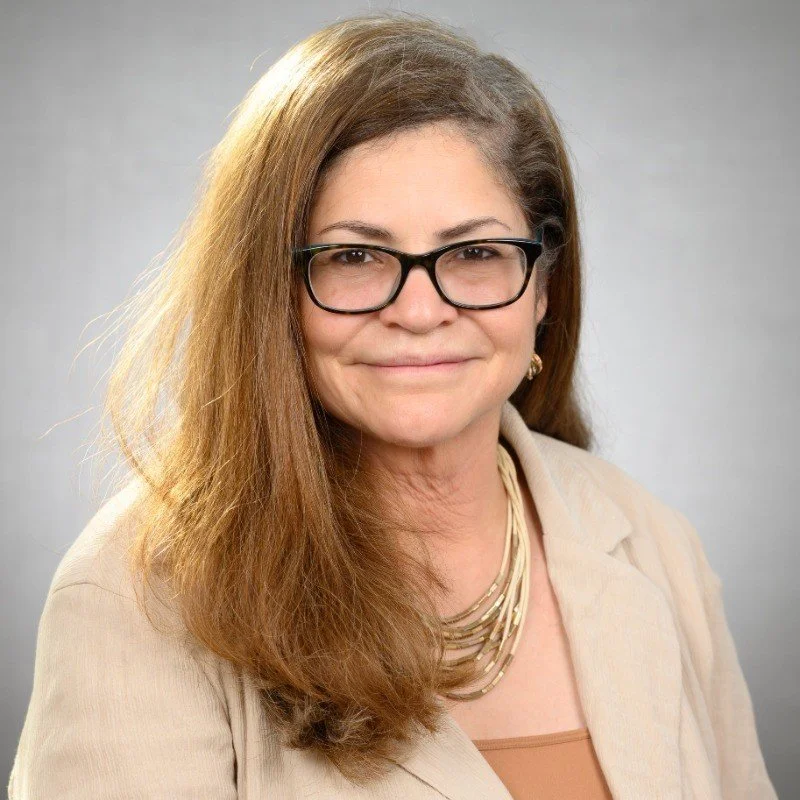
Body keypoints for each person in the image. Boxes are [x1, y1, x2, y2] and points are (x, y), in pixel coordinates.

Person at [8, 11, 777, 800]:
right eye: (354, 257)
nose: (417, 311)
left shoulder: (654, 546)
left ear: (543, 286)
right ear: (271, 294)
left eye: (476, 253)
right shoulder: (134, 602)